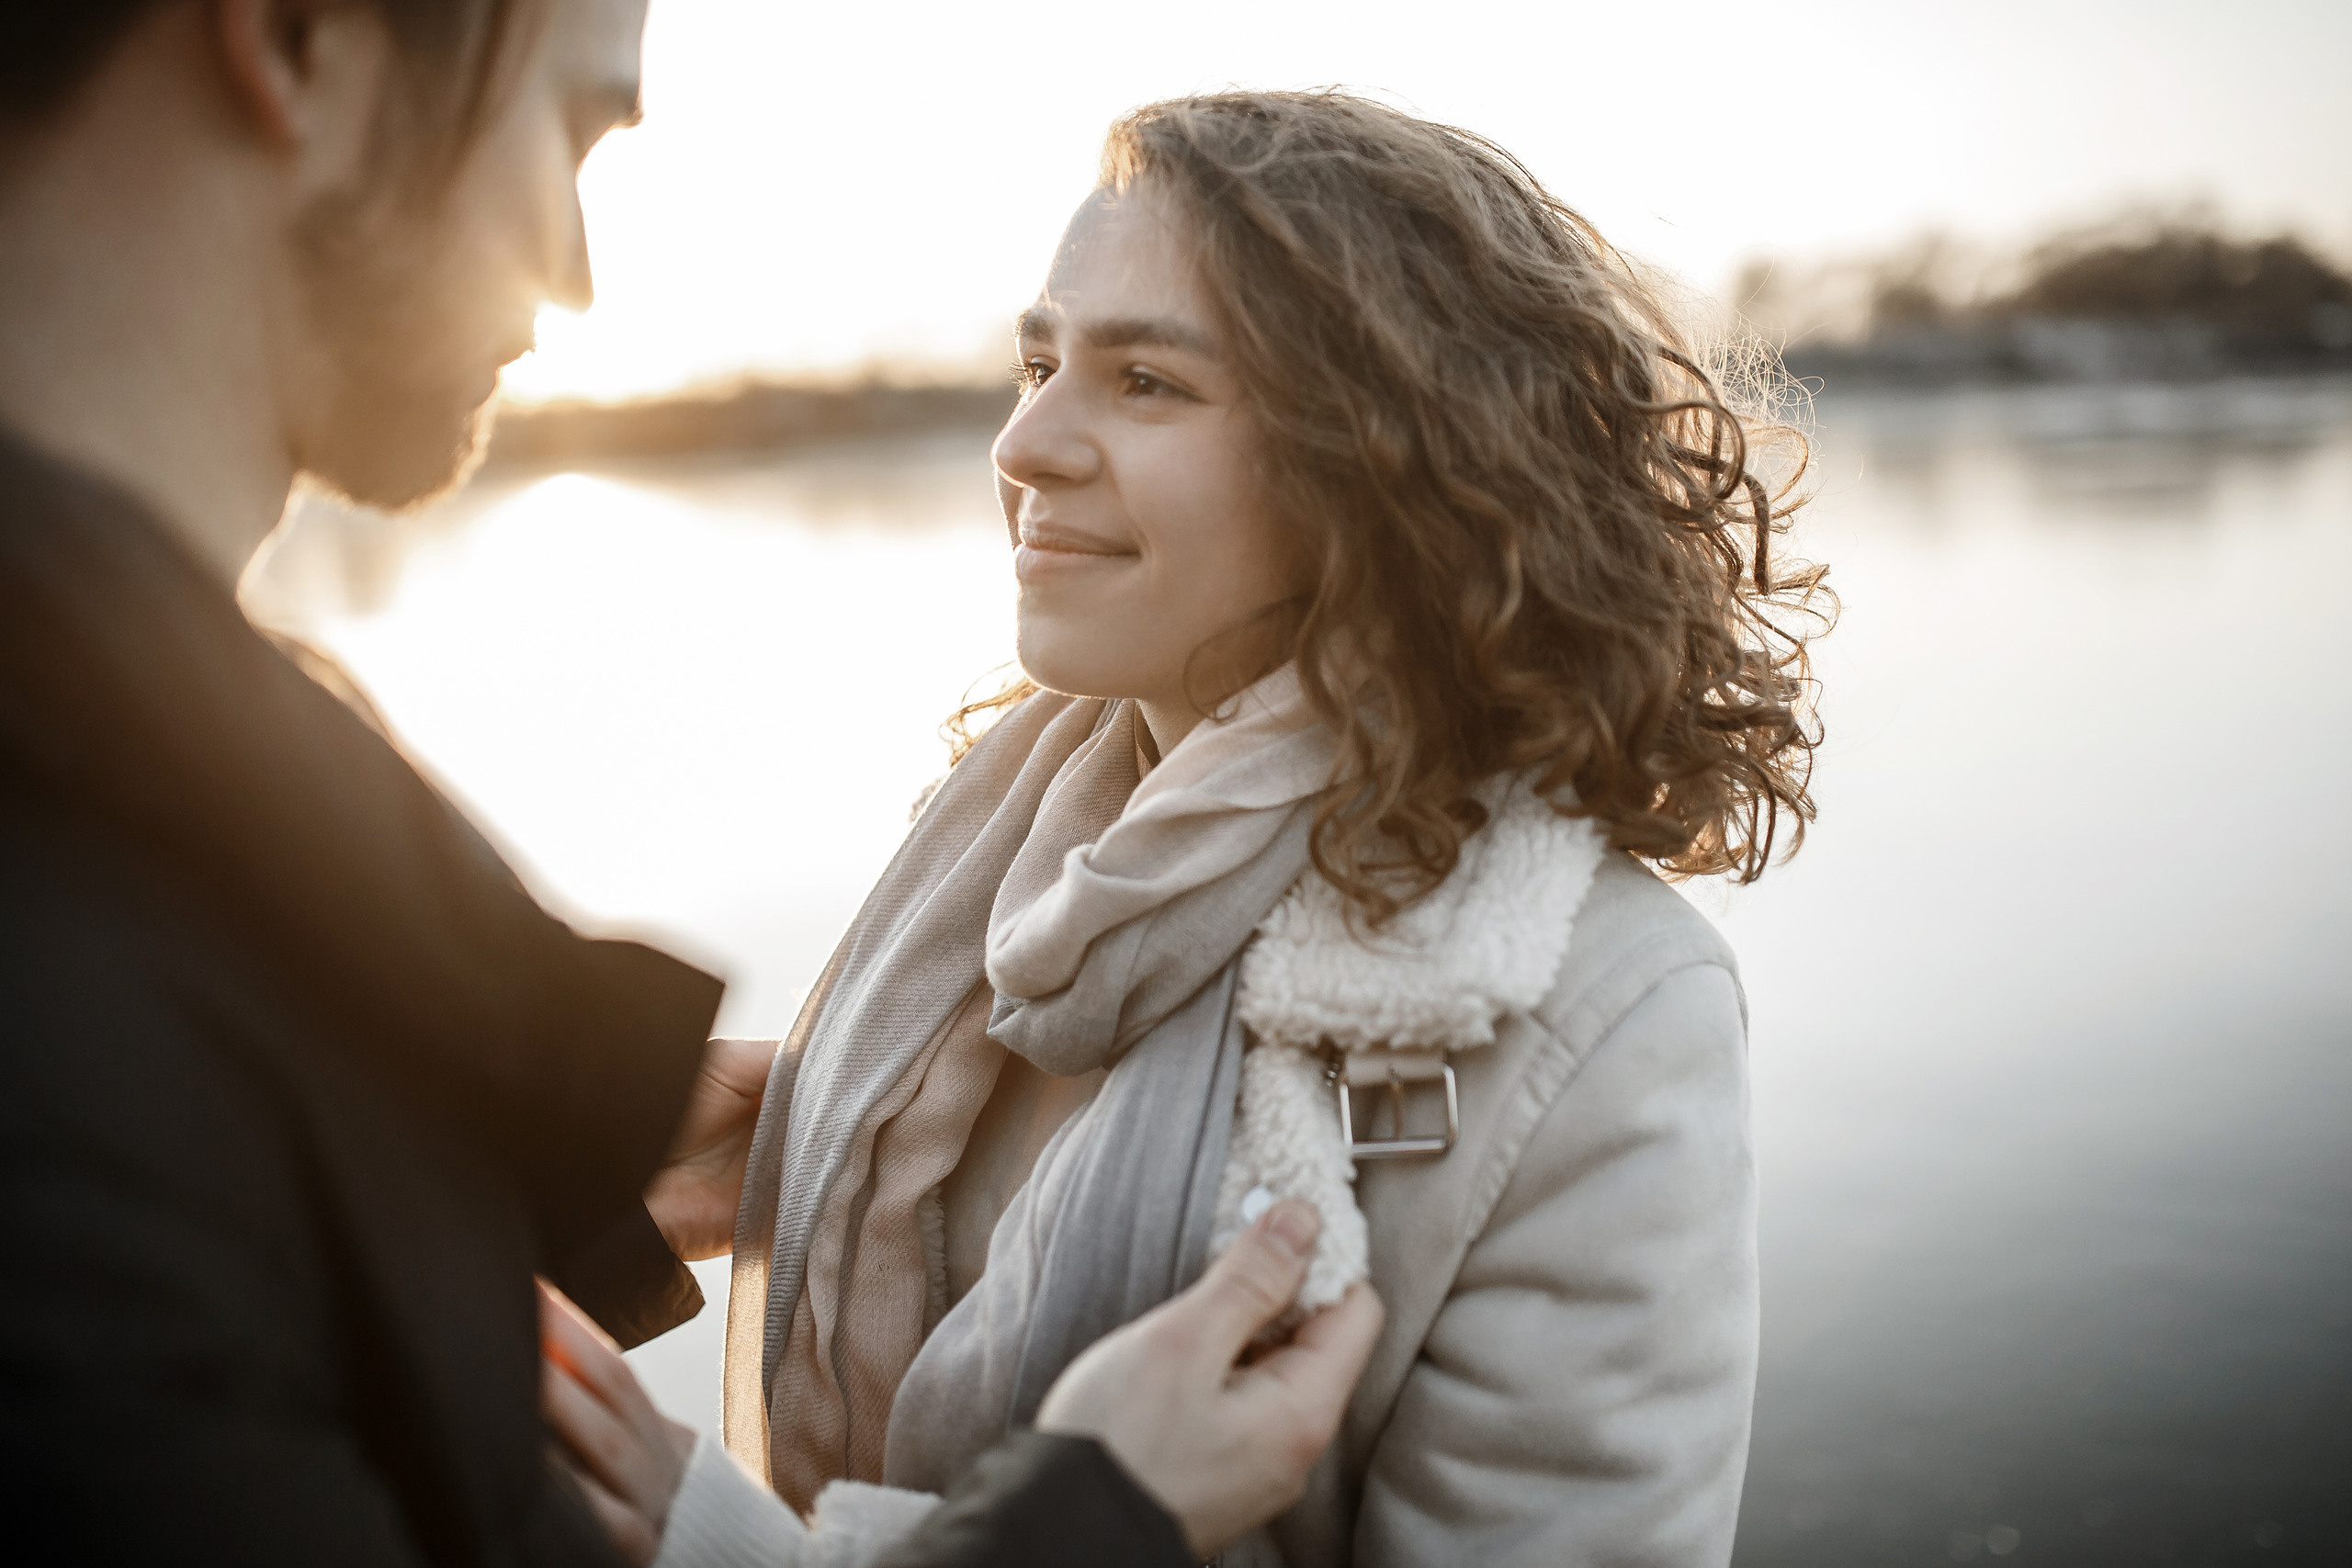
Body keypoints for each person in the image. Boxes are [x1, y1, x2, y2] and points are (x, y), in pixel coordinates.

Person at [0, 6, 1379, 1564]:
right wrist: (1086, 1516)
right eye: (572, 131)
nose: (575, 271)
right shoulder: (68, 979)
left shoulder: (147, 813)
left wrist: (470, 1236)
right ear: (298, 40)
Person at [577, 89, 1831, 1565]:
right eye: (1038, 362)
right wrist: (636, 1211)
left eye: (1147, 383)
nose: (1028, 442)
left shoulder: (1606, 1009)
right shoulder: (1013, 881)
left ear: (1385, 463)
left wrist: (720, 1548)